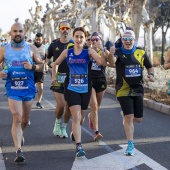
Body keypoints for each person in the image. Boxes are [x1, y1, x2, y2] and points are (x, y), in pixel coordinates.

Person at [51, 27, 107, 157]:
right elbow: (55, 64)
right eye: (76, 36)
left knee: (81, 118)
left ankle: (75, 133)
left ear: (84, 38)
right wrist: (54, 76)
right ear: (73, 37)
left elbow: (102, 62)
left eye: (81, 37)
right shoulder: (67, 52)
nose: (79, 39)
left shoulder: (89, 51)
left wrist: (103, 51)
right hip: (71, 88)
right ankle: (79, 146)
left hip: (85, 89)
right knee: (75, 116)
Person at [0, 22, 43, 163]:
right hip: (13, 88)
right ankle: (18, 150)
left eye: (20, 31)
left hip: (28, 88)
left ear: (24, 33)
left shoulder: (30, 48)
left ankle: (20, 133)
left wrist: (33, 66)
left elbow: (42, 65)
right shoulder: (4, 50)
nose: (17, 34)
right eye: (14, 31)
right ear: (10, 33)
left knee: (24, 119)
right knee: (17, 117)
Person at [108, 29, 155, 156]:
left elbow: (149, 66)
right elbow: (112, 62)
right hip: (123, 89)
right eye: (125, 39)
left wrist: (151, 75)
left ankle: (126, 114)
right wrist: (111, 53)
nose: (128, 42)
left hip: (138, 89)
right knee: (129, 117)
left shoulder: (141, 52)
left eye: (130, 39)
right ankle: (130, 144)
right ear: (122, 40)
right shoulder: (118, 52)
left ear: (134, 40)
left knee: (138, 119)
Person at [46, 21, 74, 138]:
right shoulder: (53, 45)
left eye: (67, 28)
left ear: (70, 30)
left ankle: (64, 127)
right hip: (58, 78)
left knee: (69, 107)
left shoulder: (73, 44)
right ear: (59, 30)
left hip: (72, 78)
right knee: (61, 104)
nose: (65, 30)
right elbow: (47, 59)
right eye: (63, 28)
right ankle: (57, 122)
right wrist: (51, 66)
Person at [88, 32, 110, 141]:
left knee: (97, 107)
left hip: (101, 80)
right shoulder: (88, 51)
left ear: (100, 40)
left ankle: (91, 116)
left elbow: (109, 61)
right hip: (90, 80)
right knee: (94, 106)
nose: (94, 42)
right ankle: (96, 131)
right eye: (92, 40)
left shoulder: (104, 52)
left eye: (96, 39)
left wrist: (103, 50)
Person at [34, 33, 46, 109]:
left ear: (42, 40)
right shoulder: (31, 47)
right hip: (32, 70)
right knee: (31, 86)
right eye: (37, 39)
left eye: (39, 39)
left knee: (40, 87)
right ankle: (28, 100)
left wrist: (46, 64)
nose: (38, 41)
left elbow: (46, 58)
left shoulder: (45, 48)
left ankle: (39, 102)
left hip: (41, 70)